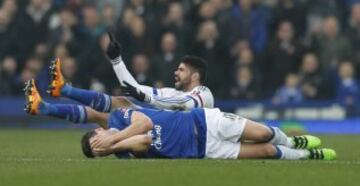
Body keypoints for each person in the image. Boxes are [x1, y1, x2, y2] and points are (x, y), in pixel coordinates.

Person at [24, 78, 336, 160]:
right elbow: (144, 139)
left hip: (203, 122)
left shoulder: (120, 118)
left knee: (265, 135)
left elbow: (145, 124)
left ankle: (293, 139)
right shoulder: (123, 149)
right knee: (266, 153)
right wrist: (114, 144)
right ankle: (306, 154)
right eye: (97, 149)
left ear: (97, 132)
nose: (100, 142)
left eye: (95, 140)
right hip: (203, 150)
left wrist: (112, 136)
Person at [103, 32, 214, 110]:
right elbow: (132, 88)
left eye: (181, 70)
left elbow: (183, 103)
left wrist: (149, 99)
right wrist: (117, 61)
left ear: (195, 76)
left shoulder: (204, 93)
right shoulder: (172, 93)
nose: (176, 73)